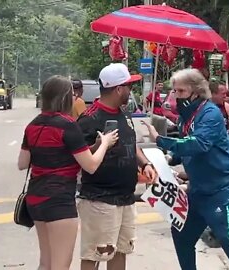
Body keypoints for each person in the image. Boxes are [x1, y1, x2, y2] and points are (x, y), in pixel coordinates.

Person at [142, 68, 229, 270]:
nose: (176, 97)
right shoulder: (186, 116)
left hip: (222, 188)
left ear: (196, 91)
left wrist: (160, 140)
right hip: (198, 189)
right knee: (182, 234)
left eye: (181, 92)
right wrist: (169, 158)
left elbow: (198, 143)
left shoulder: (209, 113)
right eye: (174, 91)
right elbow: (186, 145)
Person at [17, 75, 118, 270]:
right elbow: (91, 165)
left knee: (45, 262)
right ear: (64, 97)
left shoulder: (34, 124)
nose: (75, 97)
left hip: (35, 199)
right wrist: (104, 144)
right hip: (60, 201)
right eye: (72, 94)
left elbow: (23, 163)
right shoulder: (68, 125)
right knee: (61, 265)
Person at [76, 63, 157, 270]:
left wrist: (144, 163)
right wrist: (101, 144)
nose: (131, 92)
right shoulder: (90, 118)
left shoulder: (123, 114)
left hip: (126, 198)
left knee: (121, 251)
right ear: (118, 89)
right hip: (100, 200)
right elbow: (79, 156)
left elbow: (132, 143)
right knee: (94, 254)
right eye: (128, 87)